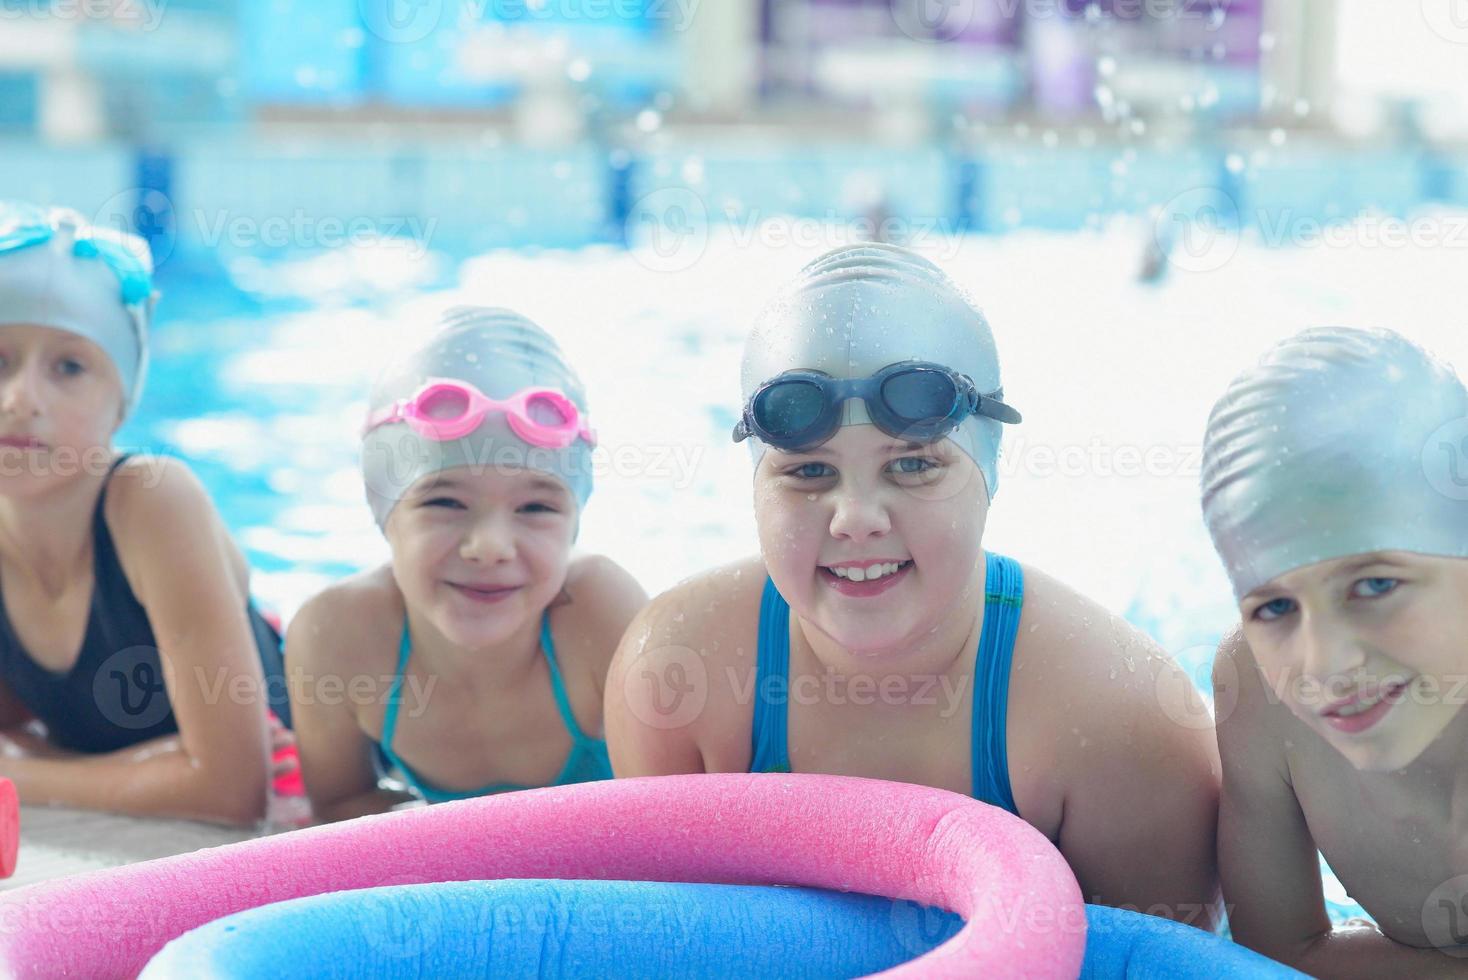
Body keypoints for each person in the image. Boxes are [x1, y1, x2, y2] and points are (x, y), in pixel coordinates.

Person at [607, 243, 1221, 924]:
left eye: (913, 467)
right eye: (809, 473)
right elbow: (665, 944)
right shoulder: (677, 672)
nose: (857, 519)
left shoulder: (1117, 719)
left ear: (987, 475)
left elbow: (1160, 964)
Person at [289, 307, 645, 822]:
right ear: (384, 513)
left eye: (536, 508)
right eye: (445, 503)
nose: (489, 547)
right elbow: (341, 808)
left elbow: (679, 820)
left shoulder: (601, 614)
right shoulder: (337, 635)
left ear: (574, 523)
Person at [0, 201, 292, 826]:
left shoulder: (153, 499)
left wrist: (24, 774)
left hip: (294, 788)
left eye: (70, 367)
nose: (21, 397)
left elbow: (233, 792)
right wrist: (140, 768)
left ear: (121, 404)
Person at [1204, 326, 1468, 975]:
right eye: (1274, 606)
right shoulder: (1258, 689)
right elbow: (1278, 953)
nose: (1324, 664)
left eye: (1375, 585)